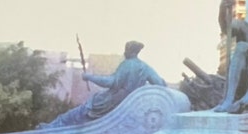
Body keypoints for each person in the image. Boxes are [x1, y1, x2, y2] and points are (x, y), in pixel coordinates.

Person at [38, 40, 166, 128]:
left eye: (126, 50)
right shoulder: (145, 67)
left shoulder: (127, 64)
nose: (124, 52)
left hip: (111, 101)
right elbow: (160, 83)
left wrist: (90, 77)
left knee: (78, 113)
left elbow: (111, 82)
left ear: (129, 51)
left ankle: (52, 127)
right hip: (128, 103)